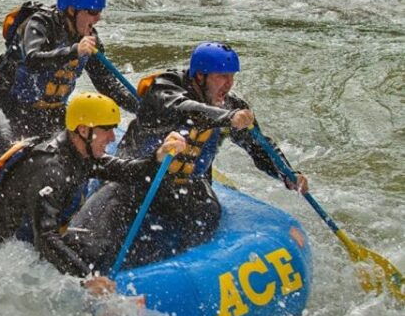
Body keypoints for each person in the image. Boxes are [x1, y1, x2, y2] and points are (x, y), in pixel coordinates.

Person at [65, 42, 309, 273]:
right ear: (200, 76)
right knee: (95, 236)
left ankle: (178, 270)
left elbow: (258, 146)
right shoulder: (166, 88)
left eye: (232, 77)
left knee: (208, 213)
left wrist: (286, 174)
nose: (229, 84)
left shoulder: (230, 106)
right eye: (222, 77)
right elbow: (184, 109)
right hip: (135, 180)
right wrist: (226, 117)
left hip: (182, 187)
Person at [0, 92, 186, 285]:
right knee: (85, 260)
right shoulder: (52, 169)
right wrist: (89, 280)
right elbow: (45, 238)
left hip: (27, 244)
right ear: (83, 130)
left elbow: (125, 171)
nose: (112, 137)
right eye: (107, 129)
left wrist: (158, 156)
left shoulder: (79, 152)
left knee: (96, 248)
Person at [0, 0, 138, 155]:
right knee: (9, 147)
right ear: (72, 10)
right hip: (6, 105)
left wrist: (142, 108)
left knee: (82, 148)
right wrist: (75, 51)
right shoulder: (40, 24)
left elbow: (107, 84)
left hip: (50, 112)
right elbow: (33, 60)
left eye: (100, 11)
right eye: (93, 11)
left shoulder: (88, 37)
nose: (98, 18)